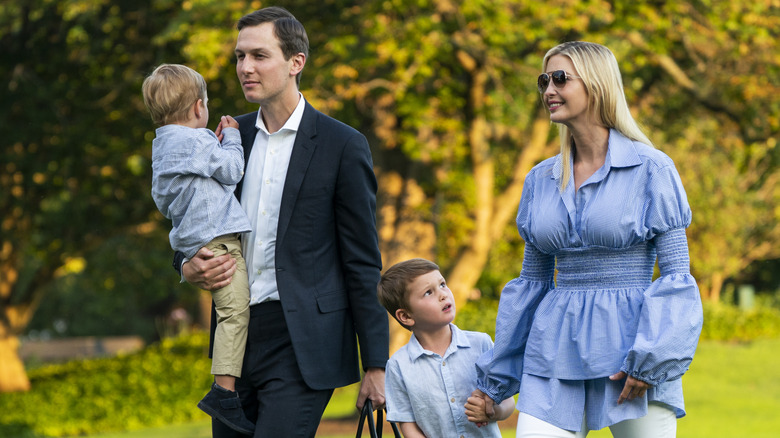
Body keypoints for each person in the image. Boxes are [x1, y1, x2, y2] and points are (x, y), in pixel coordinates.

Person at [173, 6, 389, 437]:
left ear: (296, 63)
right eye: (239, 57)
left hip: (304, 342)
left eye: (259, 56)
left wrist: (376, 365)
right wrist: (185, 263)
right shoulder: (224, 139)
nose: (245, 68)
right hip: (234, 342)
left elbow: (362, 261)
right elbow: (190, 215)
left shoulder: (342, 145)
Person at [473, 41, 703, 438]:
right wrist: (498, 380)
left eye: (560, 78)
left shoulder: (652, 169)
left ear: (596, 85)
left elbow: (676, 275)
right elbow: (531, 285)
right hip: (553, 351)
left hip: (631, 352)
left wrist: (651, 359)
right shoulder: (539, 179)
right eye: (544, 80)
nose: (548, 90)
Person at [142, 63, 255, 435]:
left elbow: (163, 202)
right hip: (220, 240)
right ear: (197, 108)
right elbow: (232, 170)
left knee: (228, 312)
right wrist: (232, 138)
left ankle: (224, 390)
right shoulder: (197, 140)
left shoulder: (162, 147)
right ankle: (223, 393)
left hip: (197, 241)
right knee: (235, 313)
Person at [377, 258, 515, 437]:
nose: (443, 294)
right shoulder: (398, 365)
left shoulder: (481, 344)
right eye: (428, 292)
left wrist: (493, 411)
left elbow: (508, 402)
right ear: (405, 316)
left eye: (442, 284)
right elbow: (408, 425)